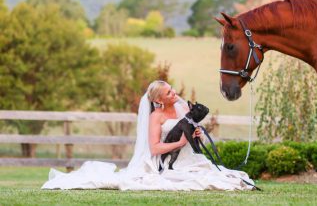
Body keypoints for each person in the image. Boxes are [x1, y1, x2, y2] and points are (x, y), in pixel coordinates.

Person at [42, 80, 254, 190]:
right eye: (169, 92)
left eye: (172, 90)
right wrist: (180, 142)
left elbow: (191, 132)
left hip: (190, 157)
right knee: (192, 181)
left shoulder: (182, 110)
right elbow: (154, 148)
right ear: (160, 100)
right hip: (168, 162)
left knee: (221, 177)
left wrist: (196, 134)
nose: (175, 94)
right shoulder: (156, 118)